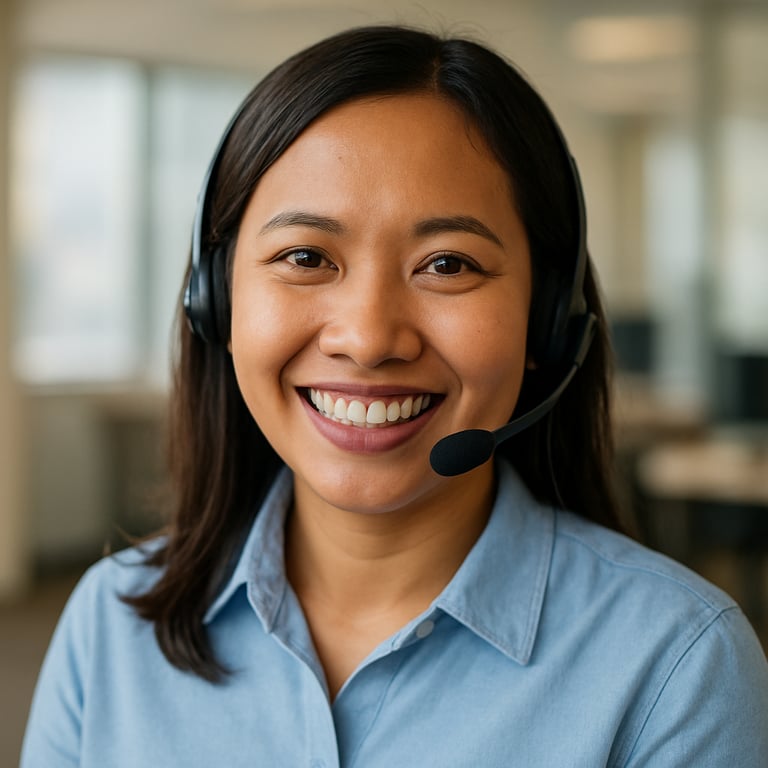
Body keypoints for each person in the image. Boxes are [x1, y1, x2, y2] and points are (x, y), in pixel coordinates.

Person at [21, 25, 768, 768]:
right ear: (215, 301)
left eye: (447, 264)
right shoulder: (109, 626)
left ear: (549, 321)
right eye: (305, 256)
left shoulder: (677, 667)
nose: (370, 337)